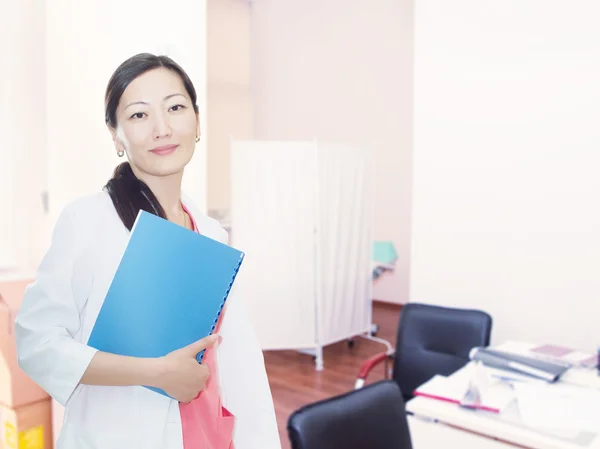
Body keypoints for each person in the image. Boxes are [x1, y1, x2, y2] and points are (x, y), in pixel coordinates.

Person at [14, 53, 281, 449]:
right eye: (139, 115)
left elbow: (237, 362)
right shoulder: (89, 220)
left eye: (175, 107)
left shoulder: (210, 234)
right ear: (116, 135)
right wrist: (156, 372)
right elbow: (37, 342)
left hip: (211, 434)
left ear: (197, 121)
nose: (162, 128)